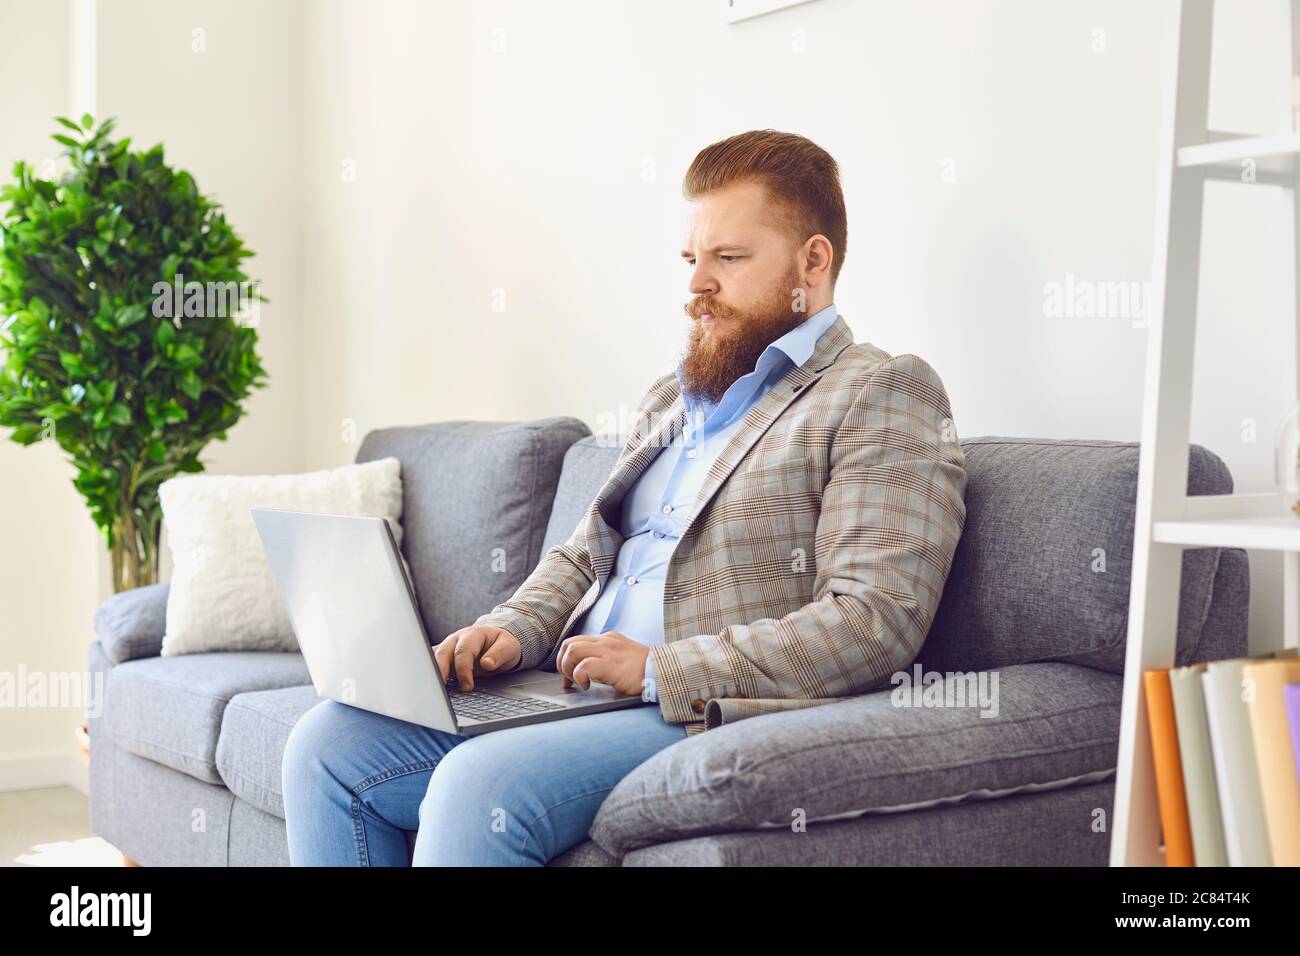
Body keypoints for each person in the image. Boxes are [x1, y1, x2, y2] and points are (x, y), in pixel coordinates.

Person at [281, 129, 968, 866]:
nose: (697, 284)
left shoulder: (880, 391)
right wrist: (510, 630)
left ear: (813, 260)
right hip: (571, 691)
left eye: (729, 258)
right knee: (327, 743)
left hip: (695, 707)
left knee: (480, 785)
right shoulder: (674, 397)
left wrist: (654, 668)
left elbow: (874, 621)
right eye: (691, 259)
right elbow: (585, 552)